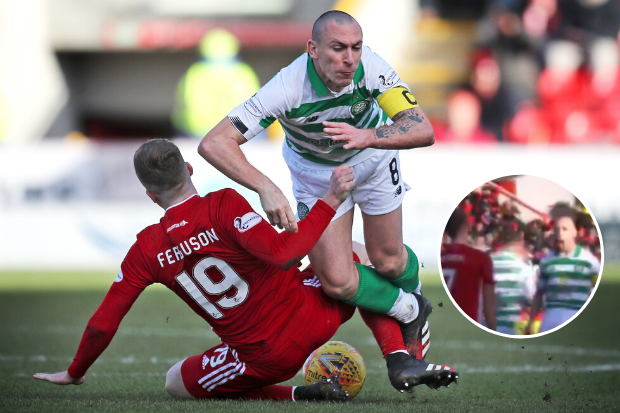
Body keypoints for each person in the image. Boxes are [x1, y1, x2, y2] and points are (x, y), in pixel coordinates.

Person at [33, 139, 458, 401]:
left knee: (174, 384)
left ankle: (295, 395)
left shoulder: (146, 248)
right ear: (191, 170)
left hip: (263, 359)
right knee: (354, 255)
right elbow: (284, 253)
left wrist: (75, 373)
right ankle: (399, 356)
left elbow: (102, 325)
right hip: (318, 313)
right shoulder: (224, 204)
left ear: (148, 194)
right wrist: (328, 201)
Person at [199, 10, 434, 359]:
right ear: (313, 48)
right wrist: (266, 187)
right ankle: (409, 309)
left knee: (388, 261)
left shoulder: (371, 67)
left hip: (373, 161)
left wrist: (368, 136)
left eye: (356, 47)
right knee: (337, 281)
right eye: (338, 48)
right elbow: (214, 143)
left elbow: (422, 129)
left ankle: (413, 292)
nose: (349, 59)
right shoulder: (287, 87)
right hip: (316, 178)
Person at [172, 29, 260, 138]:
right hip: (236, 132)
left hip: (197, 134)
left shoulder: (194, 73)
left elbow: (182, 108)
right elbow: (256, 108)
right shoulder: (242, 72)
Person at [526, 207, 601, 334]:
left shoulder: (589, 261)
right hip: (550, 317)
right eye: (557, 230)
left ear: (574, 233)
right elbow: (539, 293)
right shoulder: (547, 261)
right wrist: (531, 321)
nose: (560, 233)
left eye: (564, 229)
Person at [441, 208, 496, 330]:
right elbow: (489, 301)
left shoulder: (439, 258)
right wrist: (492, 326)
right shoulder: (480, 258)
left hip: (444, 323)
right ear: (467, 227)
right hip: (470, 323)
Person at [490, 223, 536, 335]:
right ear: (520, 244)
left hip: (487, 323)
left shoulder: (486, 262)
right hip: (512, 326)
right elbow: (532, 296)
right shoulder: (523, 267)